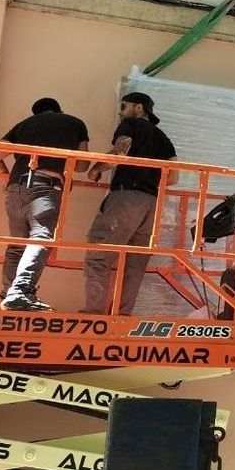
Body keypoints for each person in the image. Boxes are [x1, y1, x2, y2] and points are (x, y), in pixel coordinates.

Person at [0, 97, 89, 311]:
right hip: (45, 186)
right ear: (59, 111)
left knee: (17, 244)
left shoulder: (24, 125)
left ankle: (9, 293)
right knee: (41, 237)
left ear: (36, 114)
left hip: (16, 187)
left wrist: (7, 177)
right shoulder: (74, 123)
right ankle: (20, 292)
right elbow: (82, 165)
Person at [82, 92, 178, 315]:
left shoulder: (130, 124)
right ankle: (122, 316)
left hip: (126, 198)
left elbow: (121, 152)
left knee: (99, 255)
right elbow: (173, 178)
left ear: (138, 107)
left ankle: (93, 314)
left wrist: (96, 168)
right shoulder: (163, 138)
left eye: (123, 106)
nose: (120, 112)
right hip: (152, 204)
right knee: (135, 266)